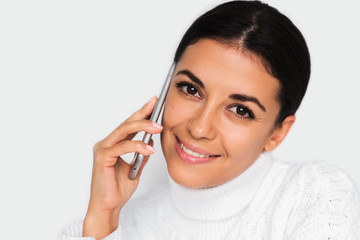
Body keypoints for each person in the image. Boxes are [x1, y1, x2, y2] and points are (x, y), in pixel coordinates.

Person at [59, 1, 360, 239]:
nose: (199, 127)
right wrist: (103, 217)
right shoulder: (121, 225)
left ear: (278, 133)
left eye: (241, 110)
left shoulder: (314, 192)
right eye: (190, 89)